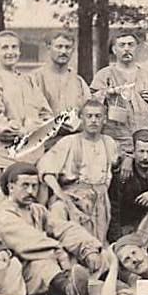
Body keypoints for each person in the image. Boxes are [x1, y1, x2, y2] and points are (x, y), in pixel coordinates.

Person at [0, 163, 98, 295]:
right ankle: (70, 290)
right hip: (19, 269)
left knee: (88, 254)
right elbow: (30, 242)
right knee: (45, 265)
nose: (31, 191)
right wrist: (60, 253)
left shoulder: (37, 209)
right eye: (25, 185)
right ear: (11, 187)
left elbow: (62, 228)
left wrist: (87, 248)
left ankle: (99, 283)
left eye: (34, 186)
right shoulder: (4, 214)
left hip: (45, 260)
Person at [0, 30, 53, 214]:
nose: (10, 52)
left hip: (30, 157)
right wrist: (26, 130)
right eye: (5, 48)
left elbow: (46, 114)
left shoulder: (27, 80)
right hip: (1, 157)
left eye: (14, 47)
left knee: (27, 206)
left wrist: (39, 127)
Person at [38, 99, 119, 244]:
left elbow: (114, 166)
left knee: (96, 245)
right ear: (81, 118)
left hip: (99, 202)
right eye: (89, 116)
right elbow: (46, 172)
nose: (93, 120)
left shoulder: (109, 143)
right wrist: (65, 200)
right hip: (72, 198)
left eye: (98, 116)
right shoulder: (69, 142)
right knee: (69, 235)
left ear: (104, 119)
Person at [90, 31, 148, 160]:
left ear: (137, 49)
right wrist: (107, 93)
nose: (126, 49)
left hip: (142, 140)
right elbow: (91, 104)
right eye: (121, 45)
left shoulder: (147, 76)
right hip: (115, 140)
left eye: (130, 45)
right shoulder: (104, 75)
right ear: (114, 49)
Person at [29, 31, 90, 145]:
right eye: (59, 47)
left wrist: (79, 124)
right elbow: (30, 115)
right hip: (44, 144)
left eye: (68, 47)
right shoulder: (34, 79)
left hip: (75, 142)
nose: (63, 51)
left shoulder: (78, 81)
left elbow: (89, 113)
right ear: (49, 47)